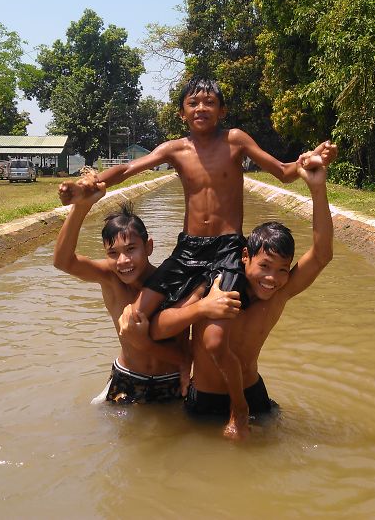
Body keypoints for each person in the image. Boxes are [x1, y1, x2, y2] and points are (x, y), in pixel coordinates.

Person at [59, 77, 337, 438]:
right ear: (182, 113)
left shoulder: (235, 140)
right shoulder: (175, 149)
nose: (201, 108)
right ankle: (172, 366)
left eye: (209, 103)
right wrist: (89, 185)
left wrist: (307, 162)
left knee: (217, 339)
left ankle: (238, 410)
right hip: (188, 250)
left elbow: (284, 173)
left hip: (225, 250)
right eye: (193, 103)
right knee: (136, 318)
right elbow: (128, 170)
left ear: (222, 111)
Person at [143, 162, 333, 433]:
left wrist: (317, 188)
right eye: (264, 266)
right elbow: (157, 327)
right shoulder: (214, 284)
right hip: (205, 399)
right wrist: (202, 308)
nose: (271, 278)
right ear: (245, 257)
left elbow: (322, 254)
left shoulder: (280, 294)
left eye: (282, 269)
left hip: (252, 394)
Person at [53, 186, 188, 404]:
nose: (123, 261)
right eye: (113, 253)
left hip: (172, 380)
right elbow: (63, 261)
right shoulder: (109, 276)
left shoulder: (173, 279)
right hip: (127, 379)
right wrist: (81, 207)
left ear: (149, 246)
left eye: (131, 249)